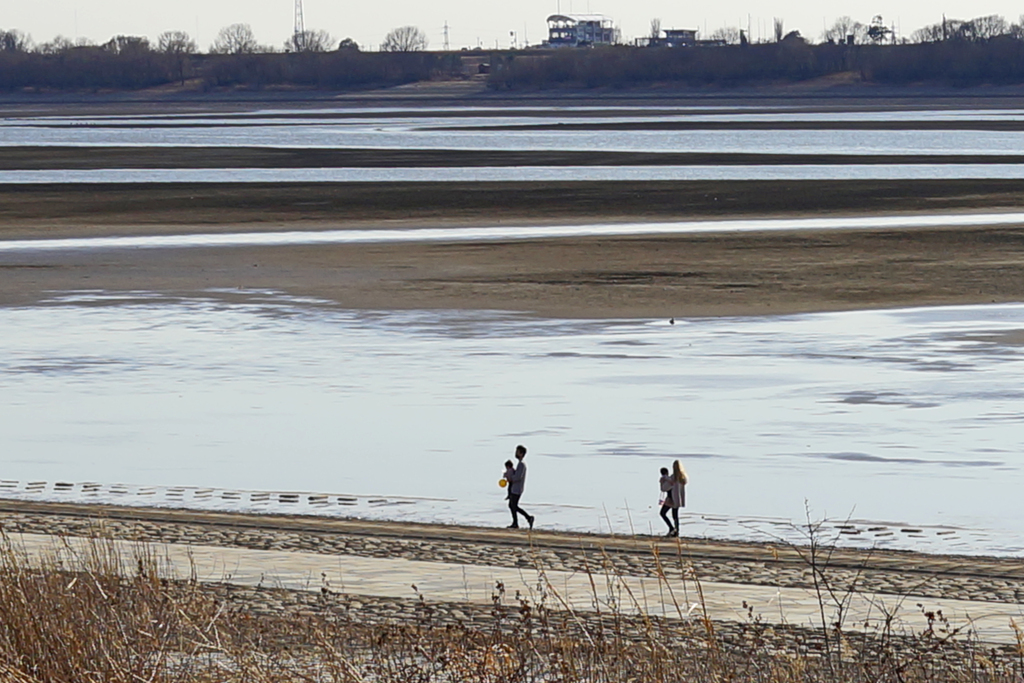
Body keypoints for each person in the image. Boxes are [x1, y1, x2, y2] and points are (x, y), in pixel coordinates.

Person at [506, 445, 534, 530]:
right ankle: (517, 522)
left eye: (517, 452)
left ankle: (527, 518)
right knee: (512, 505)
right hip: (515, 488)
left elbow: (518, 477)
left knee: (513, 505)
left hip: (517, 489)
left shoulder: (522, 464)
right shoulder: (520, 464)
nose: (516, 453)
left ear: (521, 453)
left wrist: (510, 478)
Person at [659, 460, 687, 537]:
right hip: (678, 499)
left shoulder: (673, 478)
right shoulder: (683, 478)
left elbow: (664, 488)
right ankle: (676, 531)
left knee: (663, 513)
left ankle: (671, 528)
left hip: (671, 498)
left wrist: (663, 480)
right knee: (675, 515)